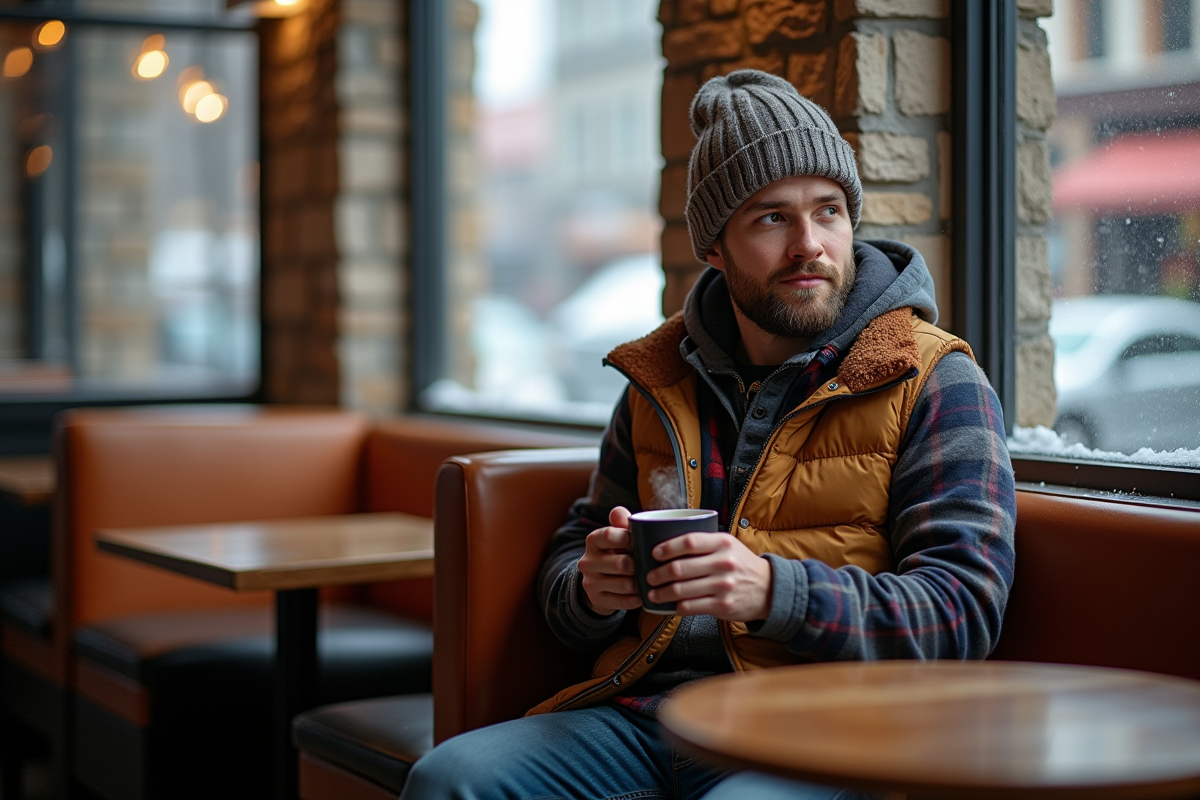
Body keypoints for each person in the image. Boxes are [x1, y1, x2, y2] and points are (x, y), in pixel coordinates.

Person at [401, 69, 1016, 800]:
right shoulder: (660, 379)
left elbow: (964, 611)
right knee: (450, 780)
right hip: (650, 717)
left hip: (828, 729)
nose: (808, 245)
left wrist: (772, 589)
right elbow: (576, 551)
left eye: (828, 212)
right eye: (770, 218)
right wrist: (593, 590)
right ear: (715, 249)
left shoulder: (932, 377)